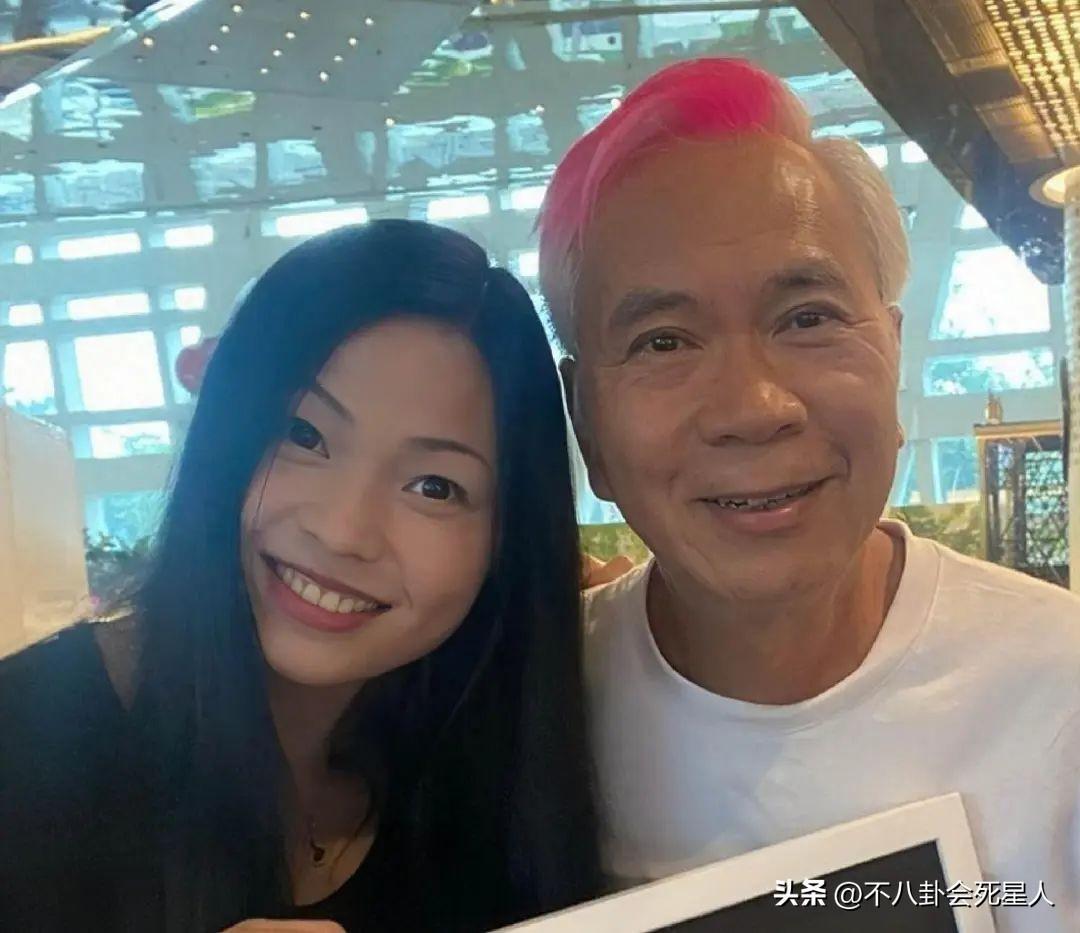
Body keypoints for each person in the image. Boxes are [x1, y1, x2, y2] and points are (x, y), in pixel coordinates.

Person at [538, 57, 1080, 931]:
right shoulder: (532, 714)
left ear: (893, 352)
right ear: (585, 422)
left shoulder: (1060, 690)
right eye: (664, 341)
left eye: (808, 318)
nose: (754, 407)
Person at [0, 220, 601, 932]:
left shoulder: (493, 771)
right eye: (304, 435)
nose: (343, 530)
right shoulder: (27, 744)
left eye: (434, 487)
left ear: (507, 540)